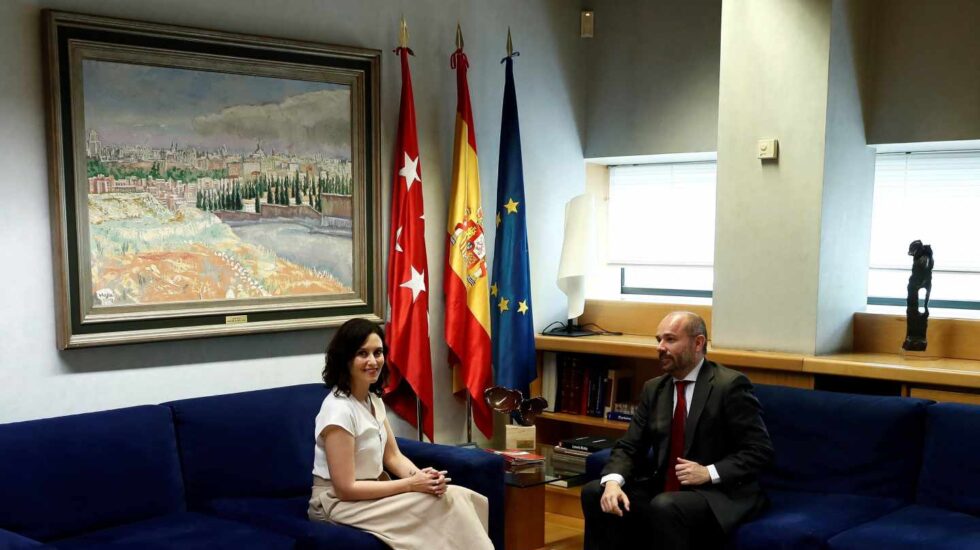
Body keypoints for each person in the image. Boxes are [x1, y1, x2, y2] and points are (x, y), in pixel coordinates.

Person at [581, 311, 773, 550]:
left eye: (670, 340)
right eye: (658, 340)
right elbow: (630, 446)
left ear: (698, 343)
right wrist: (612, 481)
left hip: (717, 493)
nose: (660, 347)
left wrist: (708, 472)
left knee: (665, 506)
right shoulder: (655, 389)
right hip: (665, 487)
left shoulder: (729, 386)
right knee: (594, 491)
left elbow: (759, 450)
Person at [308, 318, 493, 550]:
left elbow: (393, 457)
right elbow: (346, 488)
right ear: (345, 359)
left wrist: (423, 478)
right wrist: (410, 485)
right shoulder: (338, 410)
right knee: (446, 505)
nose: (373, 361)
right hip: (337, 503)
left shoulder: (373, 400)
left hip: (370, 494)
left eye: (378, 352)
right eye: (362, 354)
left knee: (459, 496)